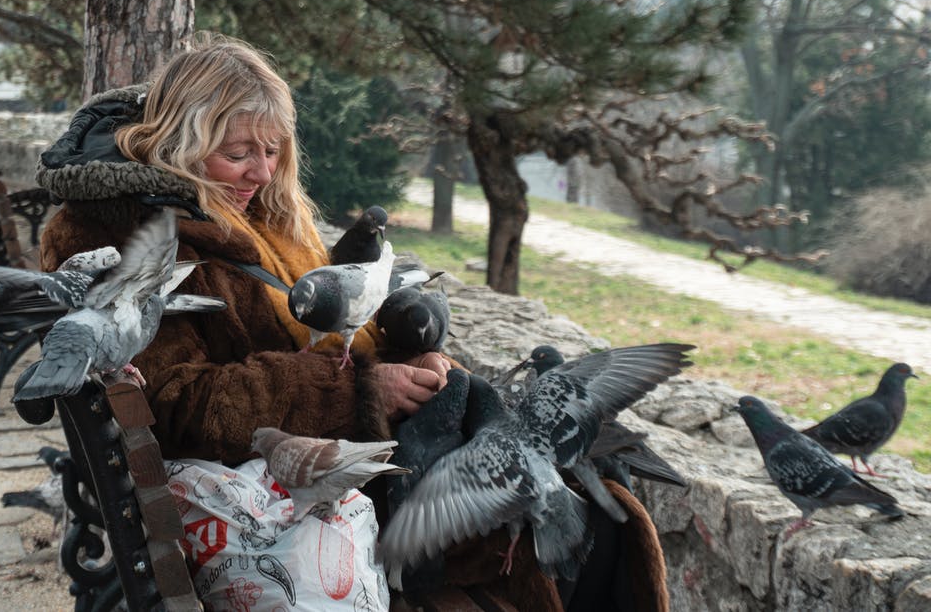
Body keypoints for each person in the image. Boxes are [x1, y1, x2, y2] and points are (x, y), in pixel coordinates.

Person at [36, 34, 666, 610]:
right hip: (322, 489)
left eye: (273, 151)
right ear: (181, 142)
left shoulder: (264, 213)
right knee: (578, 532)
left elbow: (337, 332)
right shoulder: (117, 233)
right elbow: (176, 404)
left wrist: (408, 362)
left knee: (590, 504)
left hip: (363, 467)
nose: (261, 172)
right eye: (237, 154)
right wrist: (362, 391)